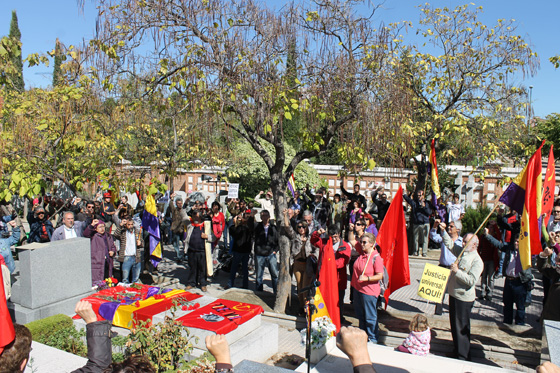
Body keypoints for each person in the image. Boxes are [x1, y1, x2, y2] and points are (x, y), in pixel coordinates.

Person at [446, 233, 483, 360]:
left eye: (465, 242)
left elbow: (471, 280)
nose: (462, 244)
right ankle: (456, 350)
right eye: (463, 241)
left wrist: (457, 272)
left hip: (464, 298)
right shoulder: (463, 252)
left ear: (474, 245)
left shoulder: (477, 261)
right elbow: (451, 245)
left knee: (461, 327)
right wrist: (443, 231)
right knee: (454, 326)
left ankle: (463, 355)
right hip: (454, 294)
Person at [311, 226, 351, 322]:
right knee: (324, 297)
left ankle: (338, 318)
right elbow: (314, 241)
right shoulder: (324, 242)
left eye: (336, 237)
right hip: (324, 277)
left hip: (338, 279)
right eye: (331, 237)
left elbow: (343, 262)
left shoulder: (345, 246)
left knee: (338, 300)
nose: (334, 239)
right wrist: (317, 233)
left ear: (339, 234)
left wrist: (329, 263)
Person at [351, 232, 384, 344]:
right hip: (358, 290)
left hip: (369, 291)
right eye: (361, 242)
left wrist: (367, 278)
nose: (362, 244)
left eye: (364, 242)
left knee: (370, 317)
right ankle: (363, 335)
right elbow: (351, 240)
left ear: (372, 244)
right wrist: (352, 230)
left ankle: (373, 338)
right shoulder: (362, 253)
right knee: (361, 315)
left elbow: (380, 275)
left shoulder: (376, 257)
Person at [282, 209, 314, 314]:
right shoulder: (295, 237)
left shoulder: (310, 238)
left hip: (307, 264)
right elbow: (287, 227)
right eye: (299, 227)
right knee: (299, 286)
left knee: (305, 286)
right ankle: (301, 306)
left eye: (303, 227)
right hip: (297, 264)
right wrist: (286, 215)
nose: (301, 229)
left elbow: (316, 248)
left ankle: (306, 306)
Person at [184, 210, 211, 291]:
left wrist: (207, 236)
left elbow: (213, 237)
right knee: (193, 268)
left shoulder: (206, 226)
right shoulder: (190, 225)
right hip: (192, 250)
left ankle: (203, 284)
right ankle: (192, 283)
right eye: (194, 216)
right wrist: (186, 205)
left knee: (202, 269)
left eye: (197, 216)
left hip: (202, 251)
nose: (195, 218)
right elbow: (183, 215)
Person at [84, 219, 116, 286]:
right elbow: (86, 234)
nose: (102, 229)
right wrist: (92, 225)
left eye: (103, 226)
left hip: (107, 262)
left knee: (107, 282)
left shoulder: (108, 235)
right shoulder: (93, 236)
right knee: (98, 283)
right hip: (97, 263)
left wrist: (113, 251)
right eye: (100, 227)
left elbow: (113, 246)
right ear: (96, 229)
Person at [253, 210, 279, 293]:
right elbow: (250, 225)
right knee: (259, 275)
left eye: (266, 215)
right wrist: (251, 216)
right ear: (261, 217)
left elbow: (278, 240)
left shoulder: (273, 227)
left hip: (271, 254)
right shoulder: (257, 226)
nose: (265, 217)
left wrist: (275, 250)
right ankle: (259, 292)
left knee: (275, 274)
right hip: (260, 254)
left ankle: (276, 291)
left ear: (269, 216)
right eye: (263, 216)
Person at [226, 212, 254, 290]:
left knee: (238, 268)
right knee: (240, 268)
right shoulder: (245, 228)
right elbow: (233, 233)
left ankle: (232, 284)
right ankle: (241, 284)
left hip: (241, 250)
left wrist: (232, 223)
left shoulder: (245, 228)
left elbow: (232, 231)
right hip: (242, 250)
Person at [113, 217, 143, 284]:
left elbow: (142, 242)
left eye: (131, 224)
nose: (130, 226)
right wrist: (120, 225)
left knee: (136, 279)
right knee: (125, 279)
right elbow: (116, 234)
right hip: (126, 257)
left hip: (136, 257)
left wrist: (140, 243)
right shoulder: (123, 232)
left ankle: (136, 291)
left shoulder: (137, 232)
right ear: (126, 225)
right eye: (128, 224)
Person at [478, 220, 501, 301]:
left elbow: (499, 236)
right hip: (484, 259)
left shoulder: (495, 237)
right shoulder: (482, 236)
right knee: (483, 276)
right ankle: (483, 292)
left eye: (492, 228)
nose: (490, 229)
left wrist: (495, 226)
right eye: (489, 227)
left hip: (492, 260)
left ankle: (490, 293)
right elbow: (479, 247)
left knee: (491, 277)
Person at [404, 190, 432, 257]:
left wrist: (424, 206)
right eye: (418, 195)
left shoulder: (427, 203)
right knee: (415, 239)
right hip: (416, 223)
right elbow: (407, 199)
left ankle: (424, 252)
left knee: (425, 239)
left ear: (423, 196)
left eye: (420, 195)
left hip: (425, 223)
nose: (419, 197)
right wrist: (406, 194)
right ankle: (415, 251)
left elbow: (429, 212)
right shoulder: (414, 203)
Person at [537, 247, 560, 321]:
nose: (556, 262)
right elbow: (543, 268)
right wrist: (544, 255)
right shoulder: (557, 273)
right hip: (549, 318)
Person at [169, 193, 188, 262]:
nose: (180, 204)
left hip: (183, 229)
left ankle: (185, 255)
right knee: (176, 244)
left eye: (181, 203)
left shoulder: (184, 210)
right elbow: (171, 205)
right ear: (176, 204)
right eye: (178, 203)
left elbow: (187, 206)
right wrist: (171, 199)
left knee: (185, 243)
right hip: (176, 229)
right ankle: (178, 256)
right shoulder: (174, 210)